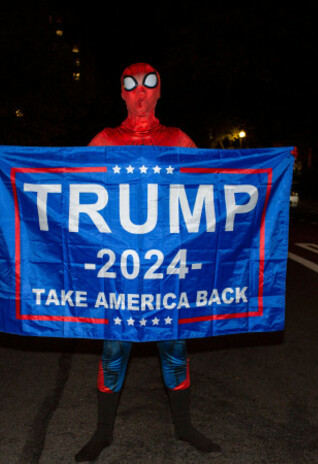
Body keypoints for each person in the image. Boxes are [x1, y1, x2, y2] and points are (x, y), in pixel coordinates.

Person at [75, 63, 221, 463]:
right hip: (119, 270)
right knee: (114, 347)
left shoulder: (177, 139)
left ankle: (185, 427)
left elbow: (218, 182)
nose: (140, 94)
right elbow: (66, 184)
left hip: (166, 268)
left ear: (159, 93)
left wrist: (272, 166)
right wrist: (7, 165)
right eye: (131, 87)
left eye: (148, 86)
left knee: (173, 344)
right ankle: (103, 433)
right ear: (122, 95)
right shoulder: (105, 140)